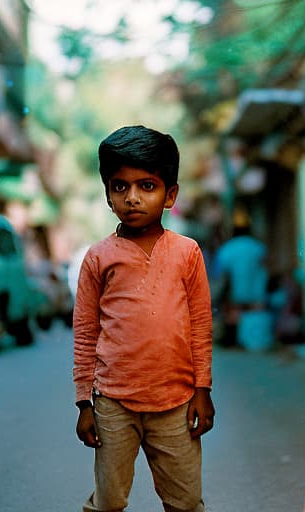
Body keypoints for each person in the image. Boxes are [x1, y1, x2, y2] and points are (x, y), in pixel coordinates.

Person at [73, 125, 215, 512]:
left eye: (146, 186)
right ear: (107, 194)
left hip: (177, 402)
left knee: (184, 501)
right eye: (120, 187)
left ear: (170, 195)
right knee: (109, 501)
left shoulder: (188, 253)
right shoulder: (99, 257)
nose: (132, 198)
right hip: (113, 403)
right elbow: (86, 333)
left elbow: (200, 325)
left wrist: (203, 390)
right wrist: (84, 402)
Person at [213, 208, 270, 348]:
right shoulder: (259, 248)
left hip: (235, 299)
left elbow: (221, 276)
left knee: (234, 316)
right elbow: (267, 270)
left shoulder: (226, 250)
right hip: (257, 298)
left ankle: (234, 338)